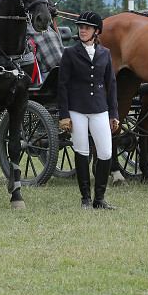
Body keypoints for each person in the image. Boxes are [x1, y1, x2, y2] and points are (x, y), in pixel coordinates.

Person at [58, 11, 120, 209]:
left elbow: (111, 84)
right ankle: (85, 198)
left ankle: (99, 198)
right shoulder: (69, 53)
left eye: (87, 28)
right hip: (77, 109)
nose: (82, 31)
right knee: (82, 151)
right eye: (81, 27)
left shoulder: (105, 54)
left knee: (105, 152)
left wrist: (114, 114)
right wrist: (64, 115)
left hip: (100, 109)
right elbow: (63, 86)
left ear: (96, 31)